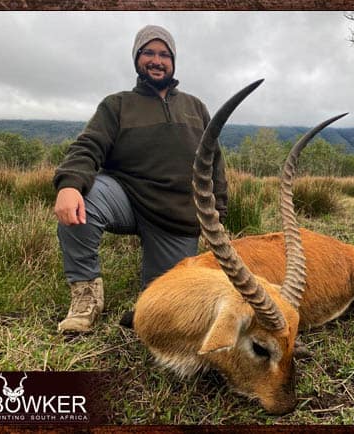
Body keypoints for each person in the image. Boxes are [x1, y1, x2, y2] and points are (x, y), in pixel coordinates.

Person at [53, 25, 228, 333]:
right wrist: (69, 184)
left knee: (162, 302)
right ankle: (86, 299)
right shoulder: (117, 105)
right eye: (148, 52)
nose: (156, 60)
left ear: (173, 61)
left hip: (175, 217)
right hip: (125, 197)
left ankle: (152, 291)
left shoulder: (195, 107)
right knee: (86, 199)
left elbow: (214, 164)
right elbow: (88, 145)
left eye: (164, 54)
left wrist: (218, 216)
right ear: (137, 59)